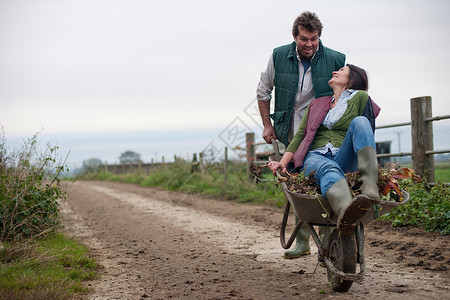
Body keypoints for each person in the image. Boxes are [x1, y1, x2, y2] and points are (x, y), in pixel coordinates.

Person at [256, 11, 345, 259]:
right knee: (296, 183)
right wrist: (267, 125)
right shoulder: (279, 56)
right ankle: (303, 241)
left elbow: (345, 96)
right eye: (304, 38)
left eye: (314, 38)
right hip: (290, 129)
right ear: (295, 36)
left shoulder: (336, 59)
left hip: (320, 134)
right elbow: (263, 91)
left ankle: (328, 242)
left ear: (319, 37)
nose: (309, 44)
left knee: (321, 179)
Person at [268, 64, 381, 235]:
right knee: (328, 168)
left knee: (361, 121)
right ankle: (347, 214)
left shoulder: (360, 98)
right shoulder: (316, 104)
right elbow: (300, 136)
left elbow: (367, 131)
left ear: (352, 79)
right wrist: (282, 162)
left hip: (345, 157)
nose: (335, 71)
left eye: (341, 71)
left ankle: (370, 187)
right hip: (315, 158)